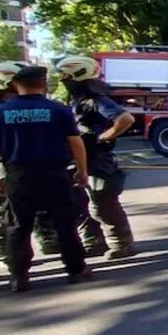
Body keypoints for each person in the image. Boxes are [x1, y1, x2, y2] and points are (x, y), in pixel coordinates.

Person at [0, 65, 91, 292]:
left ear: (15, 85)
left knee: (18, 227)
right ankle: (76, 269)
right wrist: (82, 170)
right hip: (55, 173)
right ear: (43, 84)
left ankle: (19, 277)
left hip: (18, 175)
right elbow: (76, 142)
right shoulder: (59, 110)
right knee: (64, 222)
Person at [0, 61, 66, 265]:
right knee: (6, 210)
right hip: (4, 167)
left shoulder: (20, 106)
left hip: (28, 166)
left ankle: (46, 239)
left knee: (35, 207)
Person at [55, 56, 137, 259]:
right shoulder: (75, 102)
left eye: (65, 76)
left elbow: (125, 118)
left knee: (103, 204)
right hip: (77, 160)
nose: (62, 80)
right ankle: (93, 242)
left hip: (98, 160)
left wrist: (103, 137)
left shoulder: (96, 101)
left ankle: (121, 243)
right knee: (79, 204)